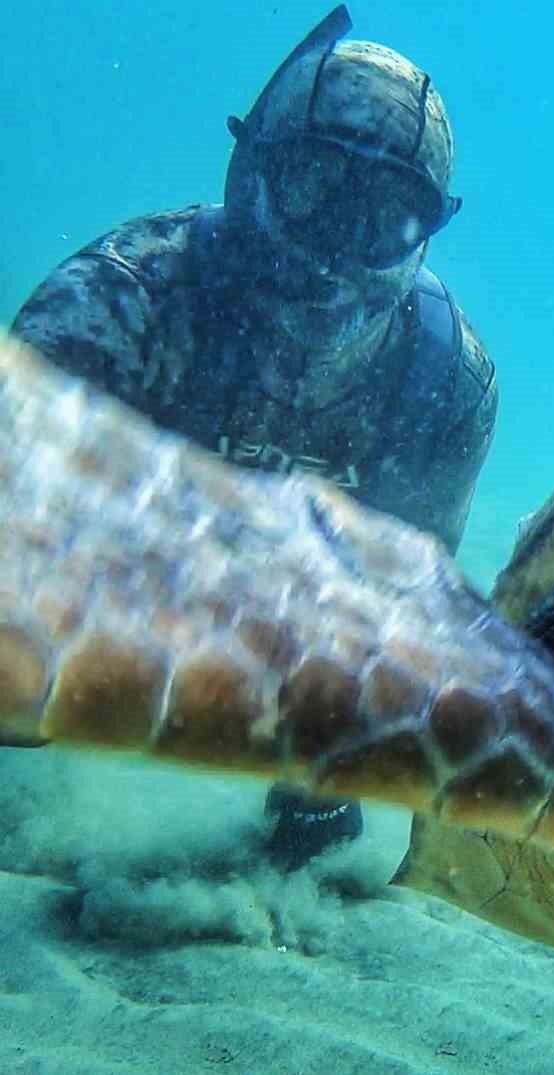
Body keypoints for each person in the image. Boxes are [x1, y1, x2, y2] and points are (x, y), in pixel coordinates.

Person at [10, 6, 498, 872]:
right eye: (315, 184)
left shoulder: (446, 382)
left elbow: (409, 602)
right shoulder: (117, 307)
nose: (337, 248)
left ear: (429, 227)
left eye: (385, 213)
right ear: (253, 167)